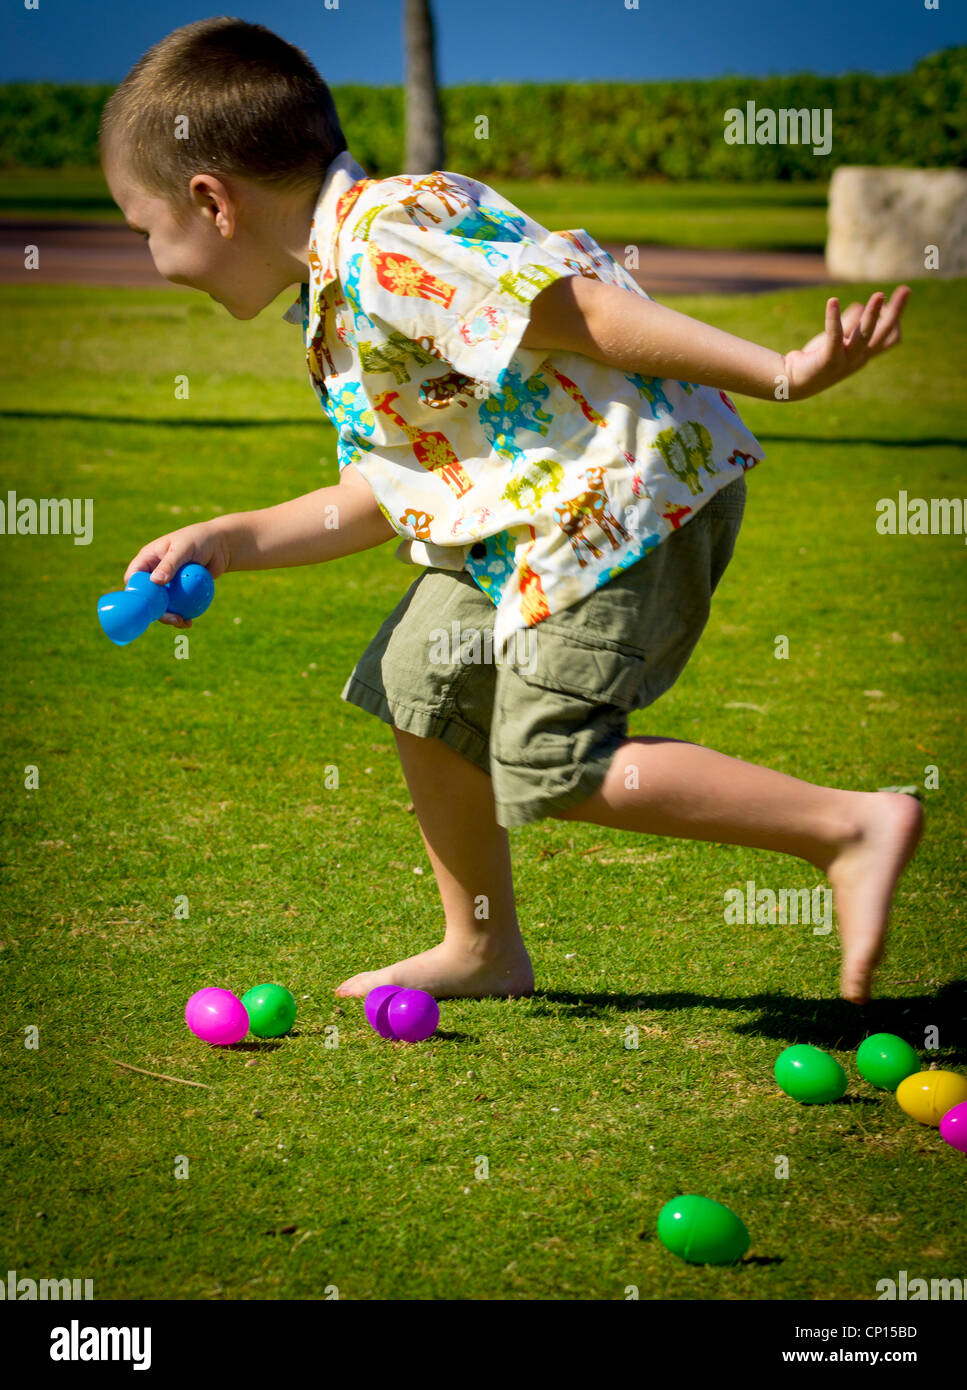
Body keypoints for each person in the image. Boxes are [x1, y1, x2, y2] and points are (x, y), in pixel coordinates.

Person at [101, 18, 921, 1008]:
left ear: (211, 202)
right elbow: (385, 493)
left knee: (548, 759)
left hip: (626, 500)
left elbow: (591, 315)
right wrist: (226, 541)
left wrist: (782, 373)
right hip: (532, 515)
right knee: (422, 679)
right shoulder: (343, 289)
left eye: (143, 229)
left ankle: (846, 825)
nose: (152, 258)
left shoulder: (386, 243)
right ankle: (480, 947)